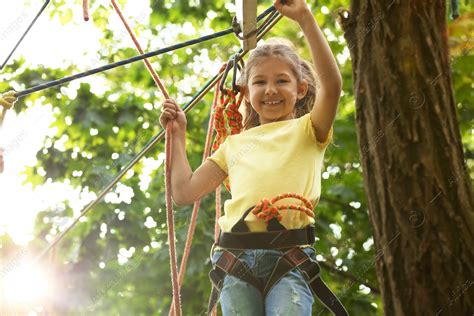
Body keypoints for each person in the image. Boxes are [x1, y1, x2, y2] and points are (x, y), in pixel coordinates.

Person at [159, 0, 346, 315]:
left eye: (281, 81)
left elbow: (333, 86)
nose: (270, 89)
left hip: (290, 258)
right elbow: (184, 192)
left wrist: (304, 18)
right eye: (260, 82)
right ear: (245, 93)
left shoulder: (309, 130)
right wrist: (177, 134)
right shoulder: (233, 145)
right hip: (236, 260)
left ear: (301, 89)